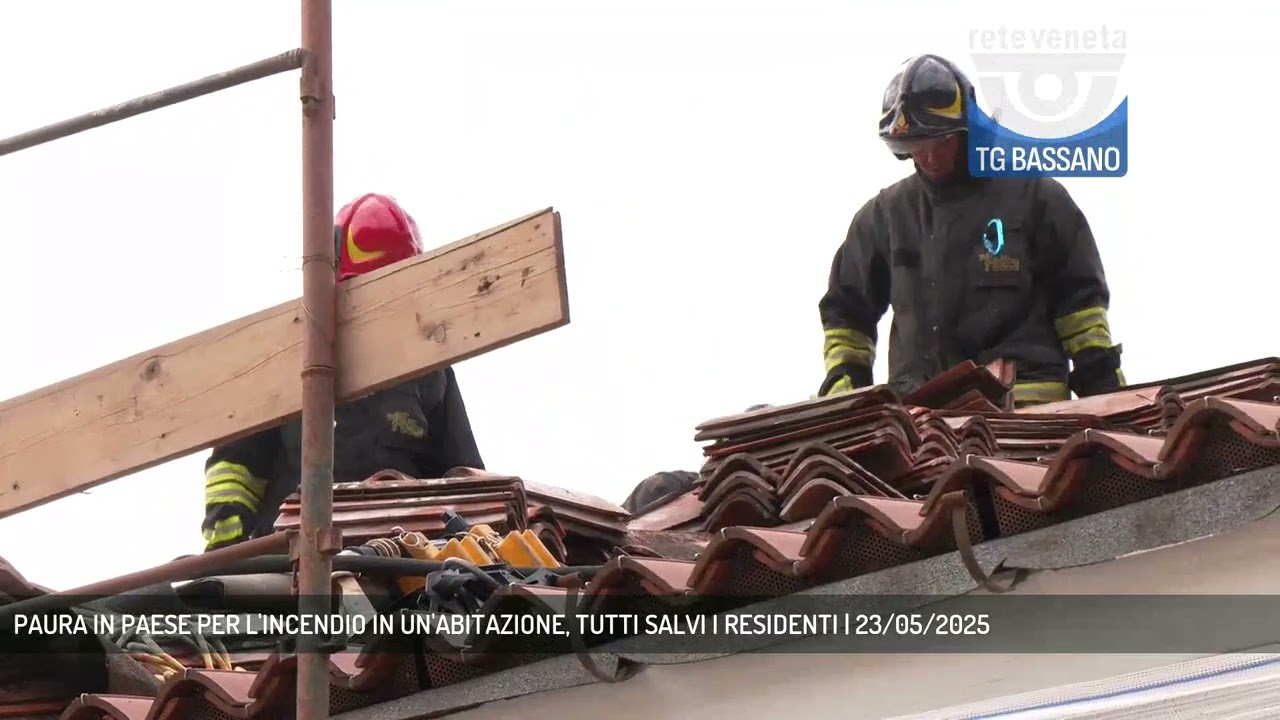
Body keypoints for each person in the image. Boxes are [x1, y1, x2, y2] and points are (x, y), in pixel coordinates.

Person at [818, 54, 1126, 407]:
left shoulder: (1035, 197)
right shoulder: (884, 218)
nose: (929, 158)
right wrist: (846, 393)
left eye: (940, 143)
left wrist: (1104, 387)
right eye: (917, 147)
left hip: (1030, 420)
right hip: (924, 425)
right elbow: (846, 313)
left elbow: (1081, 306)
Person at [201, 193, 485, 551]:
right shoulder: (282, 358)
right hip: (288, 561)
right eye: (366, 291)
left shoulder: (428, 370)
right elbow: (234, 468)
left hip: (399, 564)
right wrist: (230, 554)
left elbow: (465, 480)